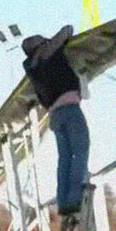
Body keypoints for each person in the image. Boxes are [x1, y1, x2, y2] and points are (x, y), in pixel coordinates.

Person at [21, 25, 89, 216]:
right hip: (70, 109)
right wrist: (53, 41)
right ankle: (74, 198)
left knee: (65, 157)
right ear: (40, 44)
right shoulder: (47, 50)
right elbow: (67, 30)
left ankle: (63, 201)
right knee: (80, 151)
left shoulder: (31, 67)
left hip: (55, 115)